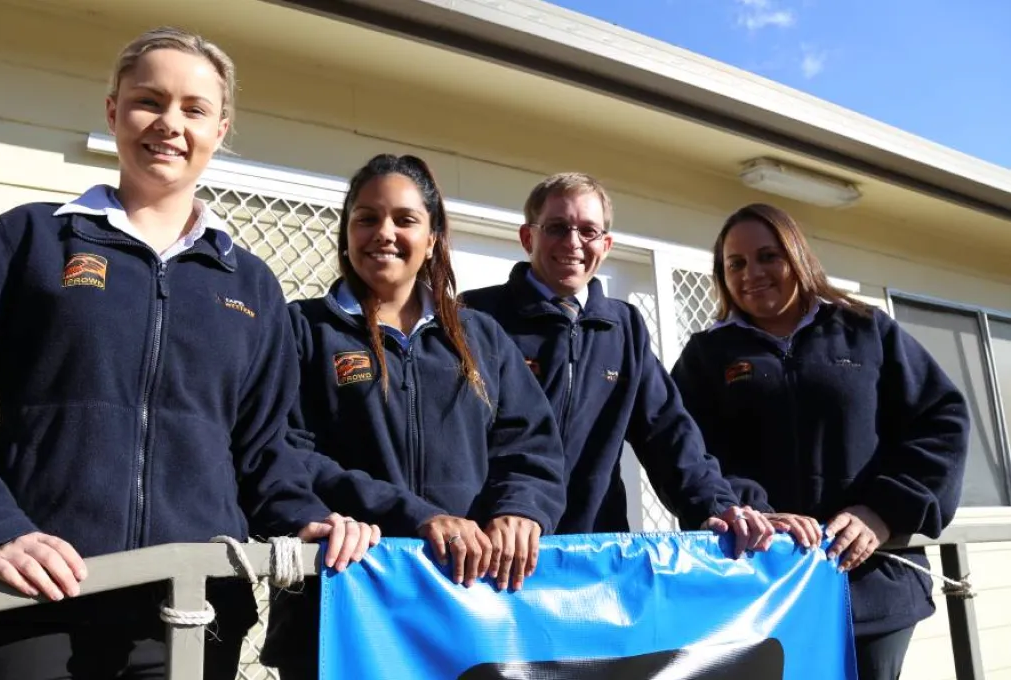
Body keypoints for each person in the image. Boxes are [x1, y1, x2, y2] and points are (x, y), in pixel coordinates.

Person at [0, 26, 382, 680]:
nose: (170, 123)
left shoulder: (251, 284)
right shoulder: (25, 243)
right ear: (114, 110)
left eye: (194, 109)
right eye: (150, 100)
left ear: (221, 129)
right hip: (31, 607)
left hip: (193, 611)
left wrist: (305, 519)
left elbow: (265, 451)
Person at [260, 154, 569, 680]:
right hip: (343, 607)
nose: (384, 232)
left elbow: (531, 448)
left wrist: (521, 510)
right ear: (346, 232)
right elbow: (286, 453)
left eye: (404, 219)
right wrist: (416, 516)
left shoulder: (481, 337)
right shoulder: (302, 329)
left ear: (432, 239)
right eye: (366, 217)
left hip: (465, 612)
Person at [669, 203, 969, 680]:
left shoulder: (865, 330)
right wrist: (753, 513)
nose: (752, 273)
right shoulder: (707, 356)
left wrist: (884, 510)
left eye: (769, 256)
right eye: (736, 263)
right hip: (763, 588)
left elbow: (941, 419)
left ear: (797, 257)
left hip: (873, 584)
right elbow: (686, 452)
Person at [461, 172, 774, 545]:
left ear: (606, 244)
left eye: (588, 231)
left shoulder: (624, 328)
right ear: (528, 237)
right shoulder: (474, 317)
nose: (573, 242)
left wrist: (716, 507)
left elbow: (667, 433)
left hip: (594, 554)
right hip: (494, 551)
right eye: (557, 228)